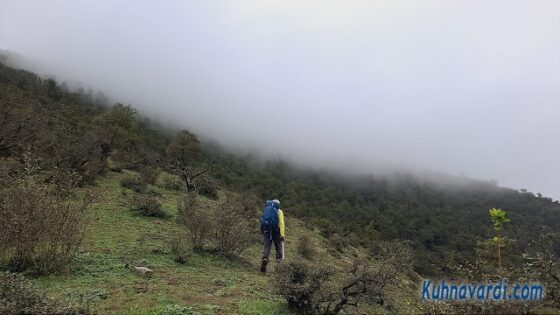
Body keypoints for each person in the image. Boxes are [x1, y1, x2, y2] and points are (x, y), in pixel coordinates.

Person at [260, 199, 285, 273]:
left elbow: (263, 220)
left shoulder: (267, 208)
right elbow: (281, 223)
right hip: (276, 231)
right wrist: (282, 234)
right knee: (278, 247)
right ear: (278, 204)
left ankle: (265, 258)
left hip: (266, 229)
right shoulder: (279, 211)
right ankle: (279, 264)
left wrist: (262, 230)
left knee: (267, 246)